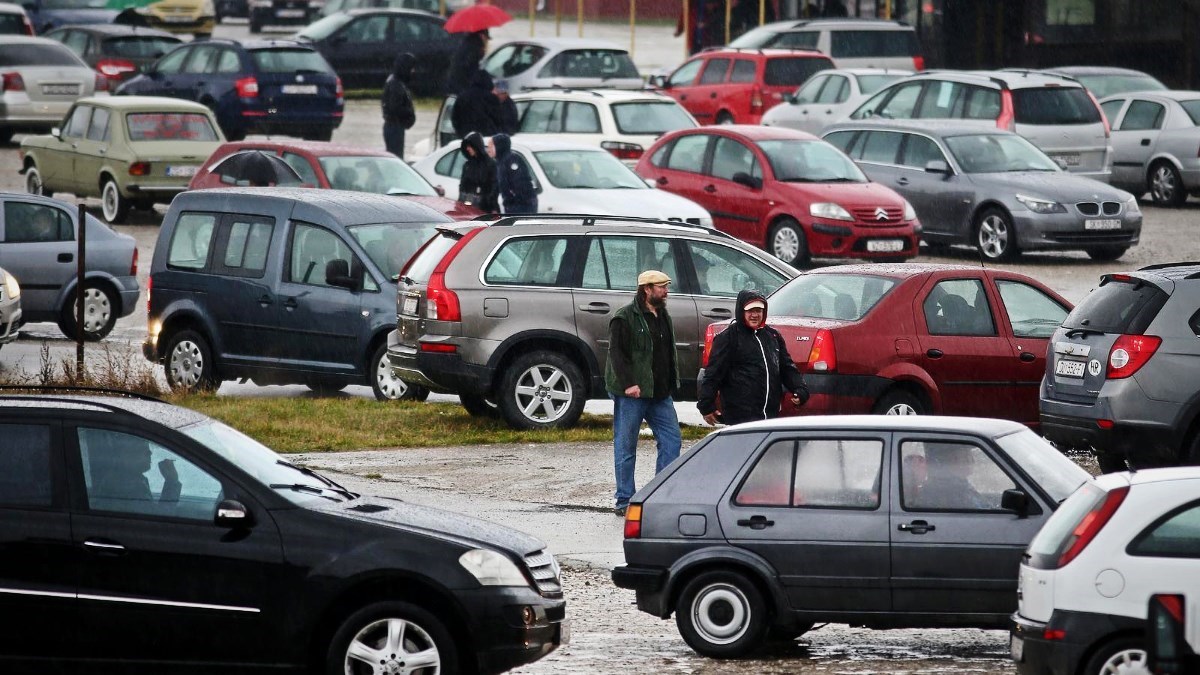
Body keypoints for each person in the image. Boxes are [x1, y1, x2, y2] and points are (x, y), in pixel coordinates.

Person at [605, 269, 682, 516]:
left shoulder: (663, 315)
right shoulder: (624, 317)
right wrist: (629, 383)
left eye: (666, 286)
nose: (666, 291)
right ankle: (625, 499)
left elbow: (668, 353)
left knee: (672, 441)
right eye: (661, 287)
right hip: (632, 394)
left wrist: (672, 383)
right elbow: (616, 354)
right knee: (626, 446)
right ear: (647, 289)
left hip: (660, 394)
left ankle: (659, 496)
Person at [697, 290, 808, 426]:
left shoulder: (773, 336)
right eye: (750, 311)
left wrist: (800, 389)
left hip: (770, 415)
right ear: (741, 311)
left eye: (759, 311)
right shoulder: (728, 337)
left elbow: (787, 367)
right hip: (740, 417)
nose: (755, 315)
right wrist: (706, 405)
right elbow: (713, 374)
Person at [381, 52, 417, 160]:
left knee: (395, 154)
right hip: (395, 126)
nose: (413, 71)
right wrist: (409, 113)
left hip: (396, 126)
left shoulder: (395, 81)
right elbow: (395, 107)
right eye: (411, 68)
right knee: (396, 156)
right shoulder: (395, 85)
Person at [491, 133, 537, 214]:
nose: (489, 149)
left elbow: (519, 183)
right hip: (511, 205)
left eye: (491, 146)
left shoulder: (512, 160)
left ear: (499, 146)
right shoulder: (500, 162)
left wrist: (512, 199)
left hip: (521, 206)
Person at [451, 69, 503, 139]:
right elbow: (499, 119)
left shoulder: (462, 97)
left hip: (466, 136)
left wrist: (460, 133)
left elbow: (455, 118)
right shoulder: (491, 98)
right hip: (487, 137)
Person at [458, 131, 498, 212]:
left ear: (476, 146)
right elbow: (462, 186)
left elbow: (494, 187)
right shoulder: (467, 165)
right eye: (466, 146)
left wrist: (486, 201)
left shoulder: (490, 164)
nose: (467, 149)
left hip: (485, 209)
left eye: (470, 146)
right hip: (468, 207)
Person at [446, 29, 488, 95]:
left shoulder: (468, 42)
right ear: (481, 36)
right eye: (486, 38)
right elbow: (471, 67)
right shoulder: (475, 47)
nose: (486, 41)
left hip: (456, 82)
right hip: (462, 84)